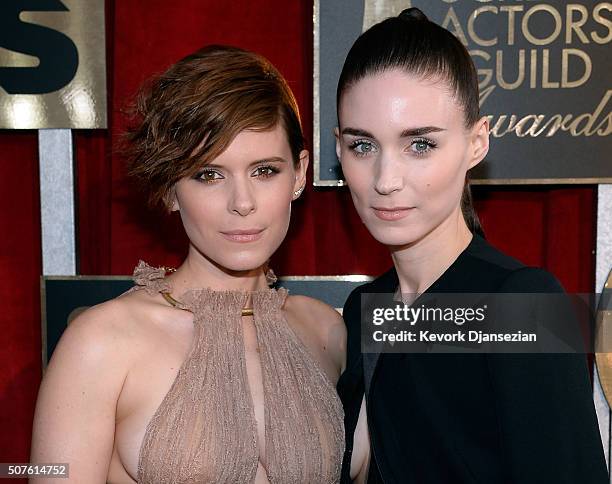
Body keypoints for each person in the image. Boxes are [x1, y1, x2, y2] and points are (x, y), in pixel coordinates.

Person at [30, 45, 345, 484]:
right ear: (170, 190)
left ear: (299, 173)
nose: (242, 203)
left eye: (264, 171)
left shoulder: (326, 331)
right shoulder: (100, 342)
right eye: (208, 175)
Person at [335, 8, 607, 484]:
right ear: (339, 149)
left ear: (477, 143)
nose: (385, 180)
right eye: (363, 146)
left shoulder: (519, 302)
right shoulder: (364, 309)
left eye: (420, 144)